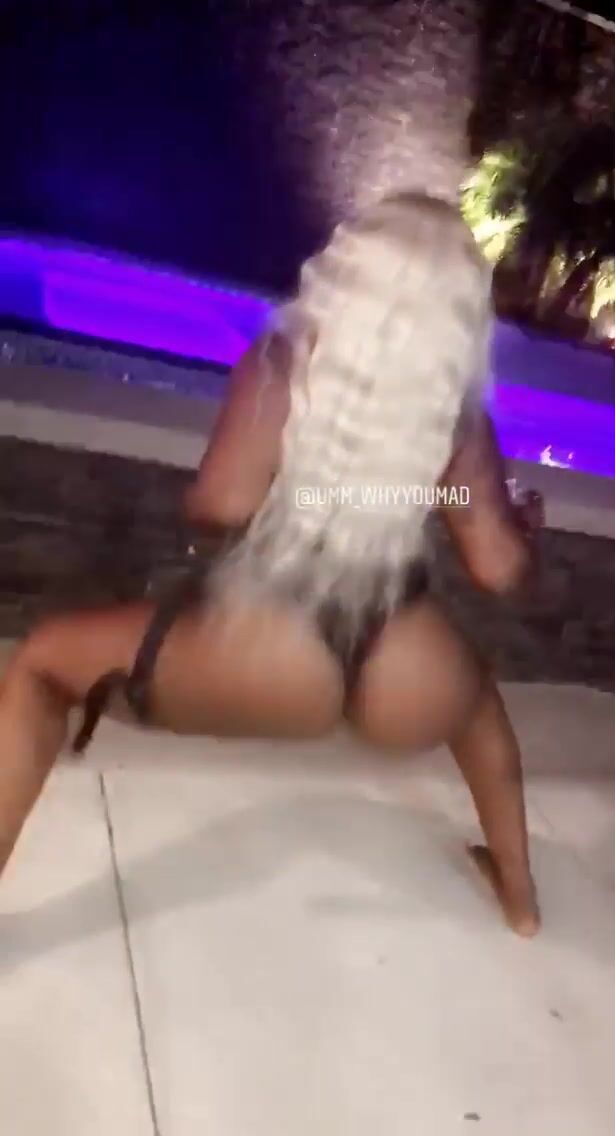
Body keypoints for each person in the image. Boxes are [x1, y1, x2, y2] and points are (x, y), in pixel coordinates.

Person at [0, 191, 542, 935]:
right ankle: (520, 900)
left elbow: (219, 506)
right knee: (476, 710)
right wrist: (515, 522)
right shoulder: (457, 417)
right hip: (403, 664)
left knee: (39, 665)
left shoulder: (280, 365)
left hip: (274, 651)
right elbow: (499, 568)